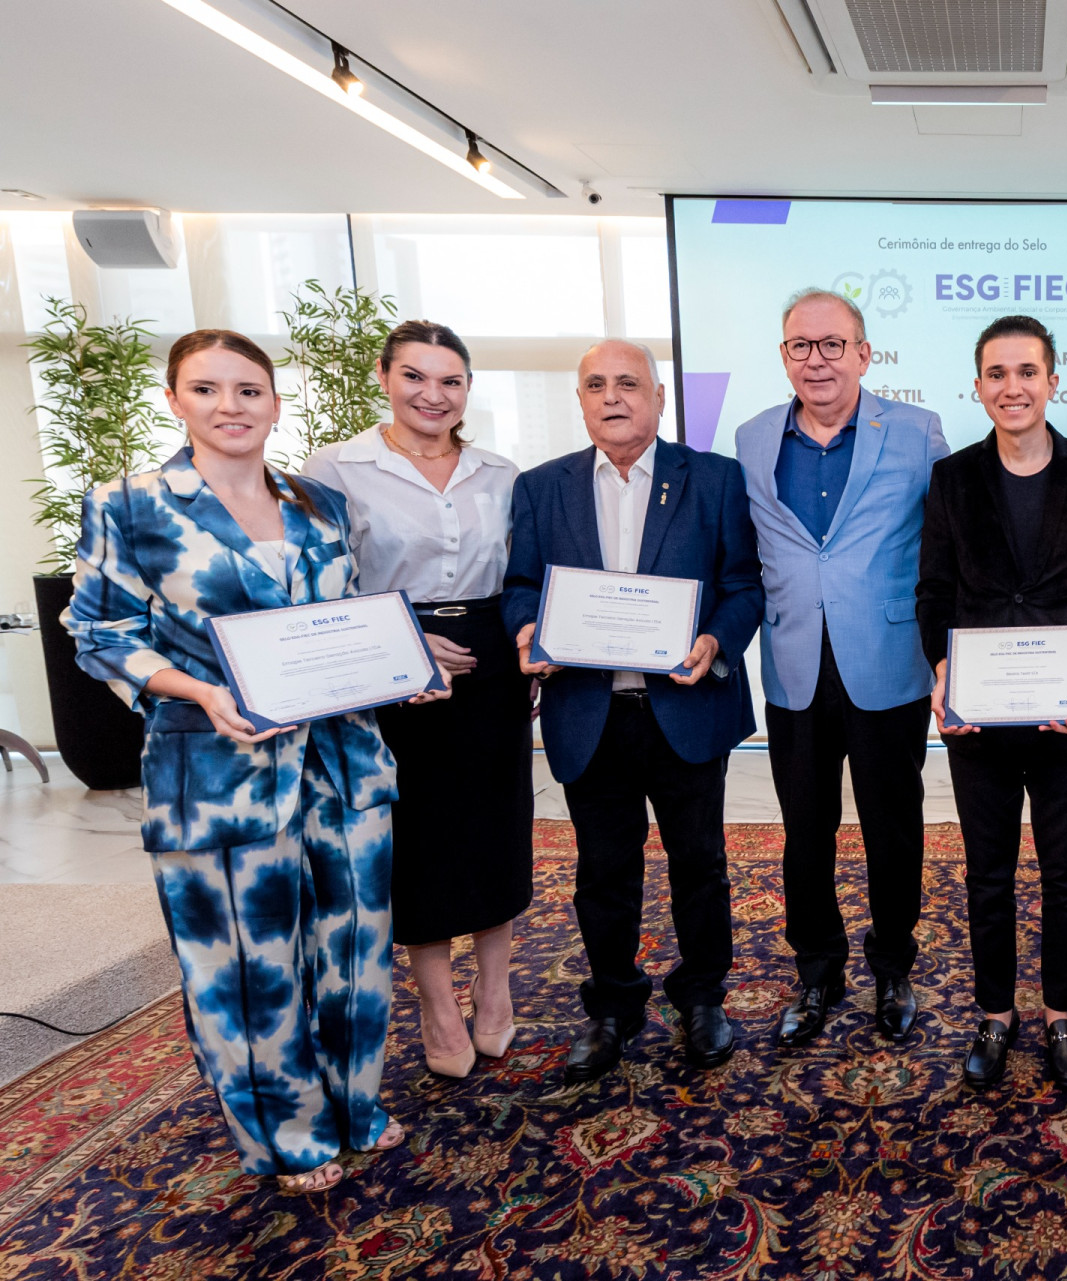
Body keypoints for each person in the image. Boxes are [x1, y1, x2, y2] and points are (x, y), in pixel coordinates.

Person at [63, 330, 445, 1193]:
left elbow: (346, 619)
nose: (229, 406)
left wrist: (402, 669)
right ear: (175, 400)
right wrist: (193, 690)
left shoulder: (319, 505)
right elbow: (96, 631)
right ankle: (288, 1132)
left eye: (248, 390)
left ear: (276, 403)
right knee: (246, 964)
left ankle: (354, 1106)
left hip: (344, 762)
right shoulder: (131, 505)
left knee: (353, 946)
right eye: (207, 389)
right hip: (219, 773)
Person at [503, 339, 762, 1081]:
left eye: (628, 383)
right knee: (603, 870)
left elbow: (744, 584)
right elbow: (521, 584)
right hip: (589, 711)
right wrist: (527, 626)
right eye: (596, 385)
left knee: (700, 863)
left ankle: (703, 995)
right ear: (579, 400)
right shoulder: (541, 487)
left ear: (658, 398)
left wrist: (716, 637)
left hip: (684, 706)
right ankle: (613, 1005)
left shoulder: (713, 479)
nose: (612, 397)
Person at [303, 320, 531, 1080]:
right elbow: (318, 587)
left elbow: (521, 573)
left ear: (468, 388)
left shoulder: (500, 471)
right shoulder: (335, 468)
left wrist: (532, 650)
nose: (432, 394)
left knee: (498, 823)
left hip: (493, 656)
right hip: (392, 662)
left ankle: (494, 989)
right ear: (384, 376)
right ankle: (437, 1004)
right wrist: (401, 641)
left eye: (450, 380)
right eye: (415, 376)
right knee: (422, 834)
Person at [917, 315, 1067, 1091]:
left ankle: (1062, 1011)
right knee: (988, 874)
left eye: (1027, 372)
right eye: (997, 374)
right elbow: (934, 591)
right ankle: (995, 1012)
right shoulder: (951, 480)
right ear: (978, 387)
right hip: (979, 717)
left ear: (1052, 380)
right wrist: (943, 669)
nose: (1013, 387)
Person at [734, 289, 949, 1048]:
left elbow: (948, 544)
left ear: (865, 353)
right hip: (794, 664)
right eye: (800, 345)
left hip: (888, 663)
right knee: (805, 829)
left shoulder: (918, 432)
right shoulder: (753, 436)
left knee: (895, 828)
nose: (816, 359)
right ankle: (817, 969)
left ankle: (894, 964)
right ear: (783, 355)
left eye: (833, 344)